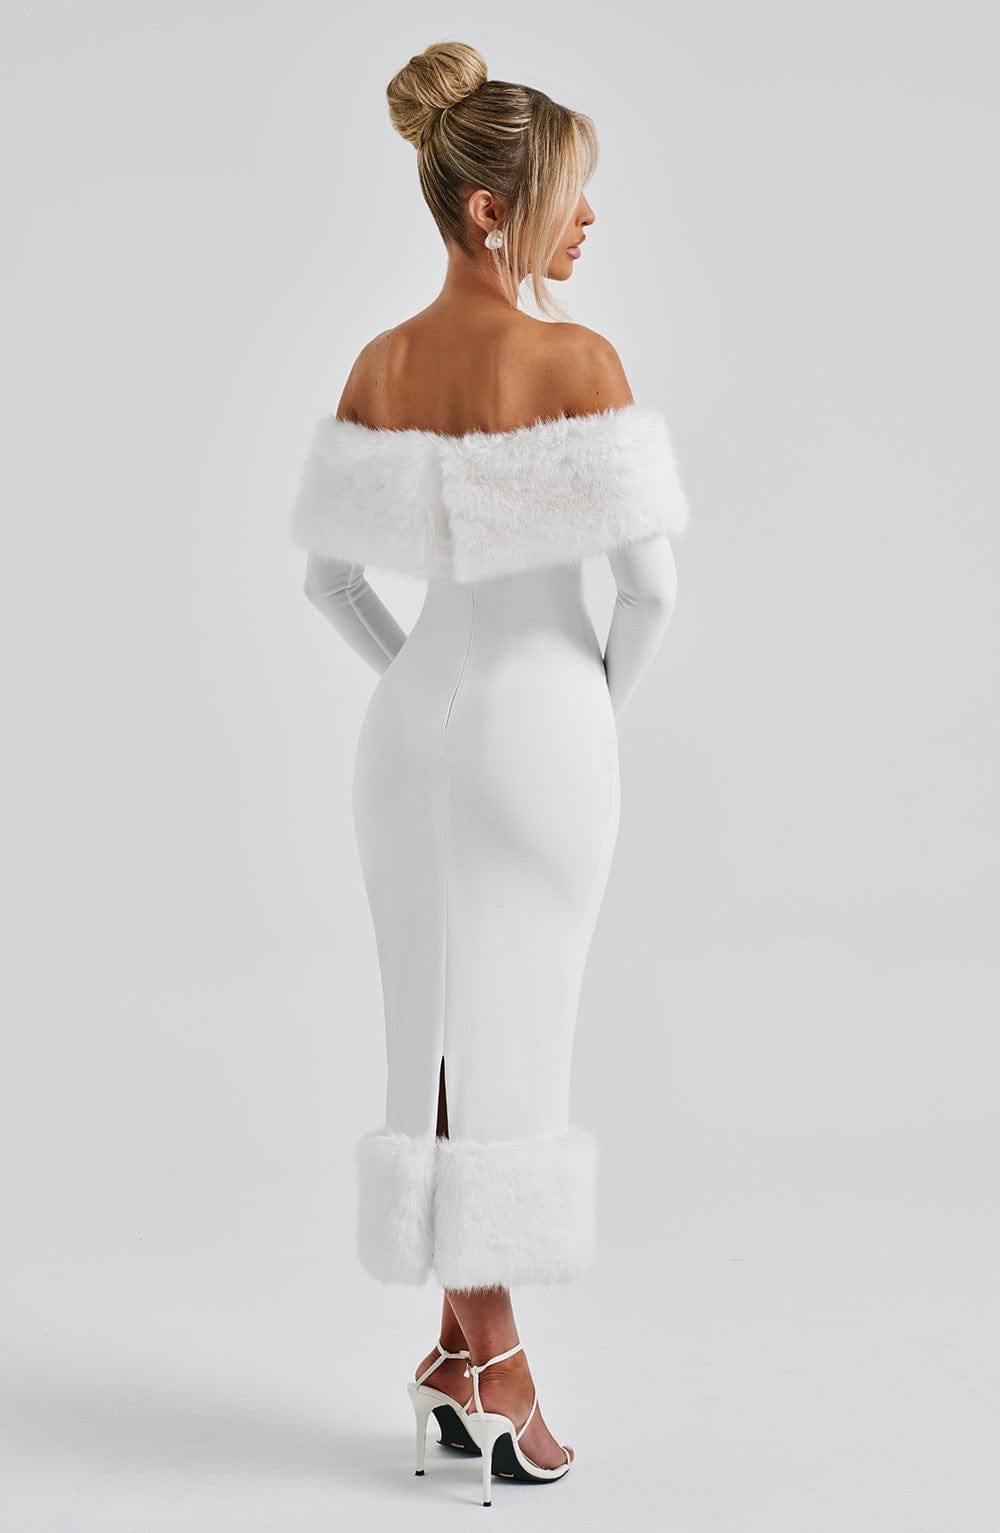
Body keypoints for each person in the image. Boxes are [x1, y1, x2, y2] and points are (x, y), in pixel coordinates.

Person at [287, 39, 691, 1506]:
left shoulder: (382, 363)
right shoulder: (578, 364)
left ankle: (458, 1362)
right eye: (569, 194)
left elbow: (330, 583)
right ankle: (498, 1366)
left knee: (438, 1040)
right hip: (541, 736)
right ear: (488, 211)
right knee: (515, 1040)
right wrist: (583, 706)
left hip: (408, 733)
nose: (588, 219)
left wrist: (421, 680)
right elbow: (649, 593)